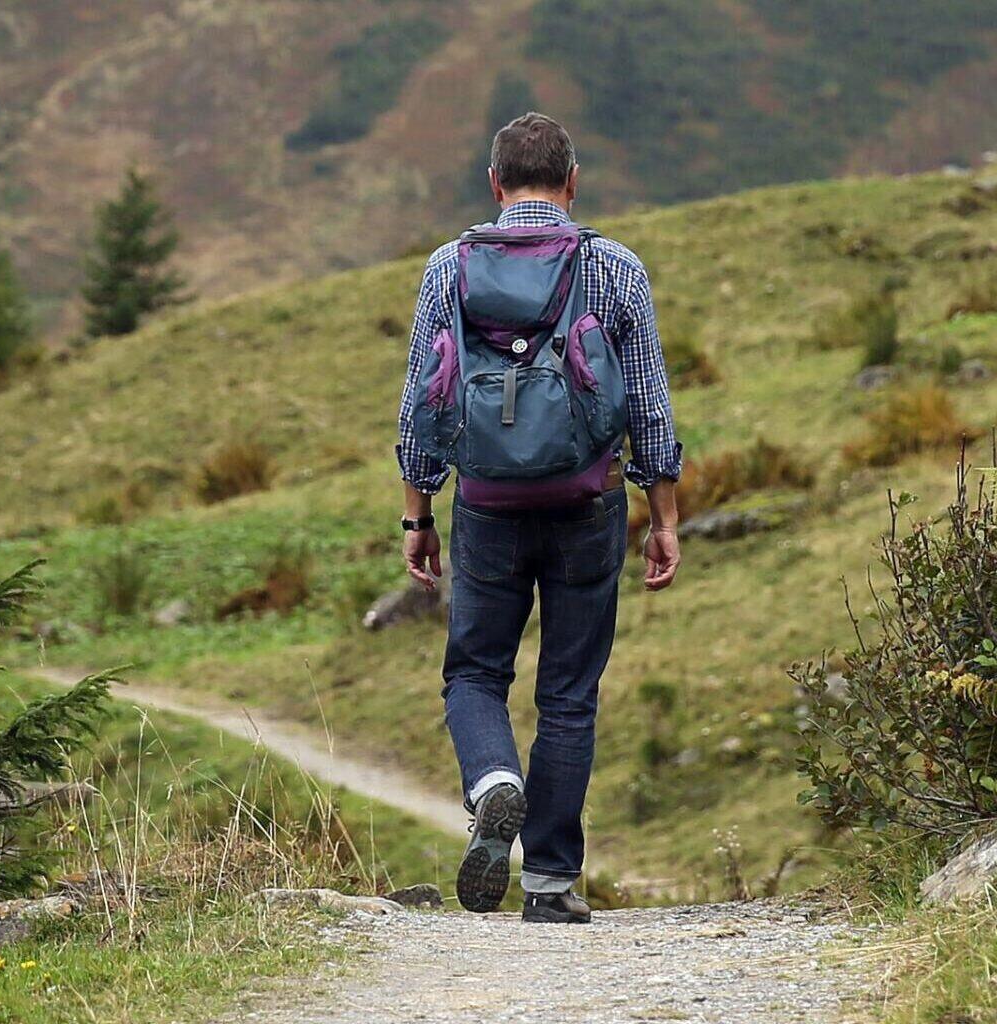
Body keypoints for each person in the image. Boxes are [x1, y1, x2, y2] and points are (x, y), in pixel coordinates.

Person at [395, 112, 683, 924]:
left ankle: (494, 781)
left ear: (494, 184)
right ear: (572, 181)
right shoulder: (615, 267)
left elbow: (423, 398)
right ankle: (551, 882)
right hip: (587, 503)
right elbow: (651, 407)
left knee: (475, 672)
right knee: (568, 692)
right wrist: (662, 513)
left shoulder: (448, 267)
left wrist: (417, 512)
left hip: (485, 505)